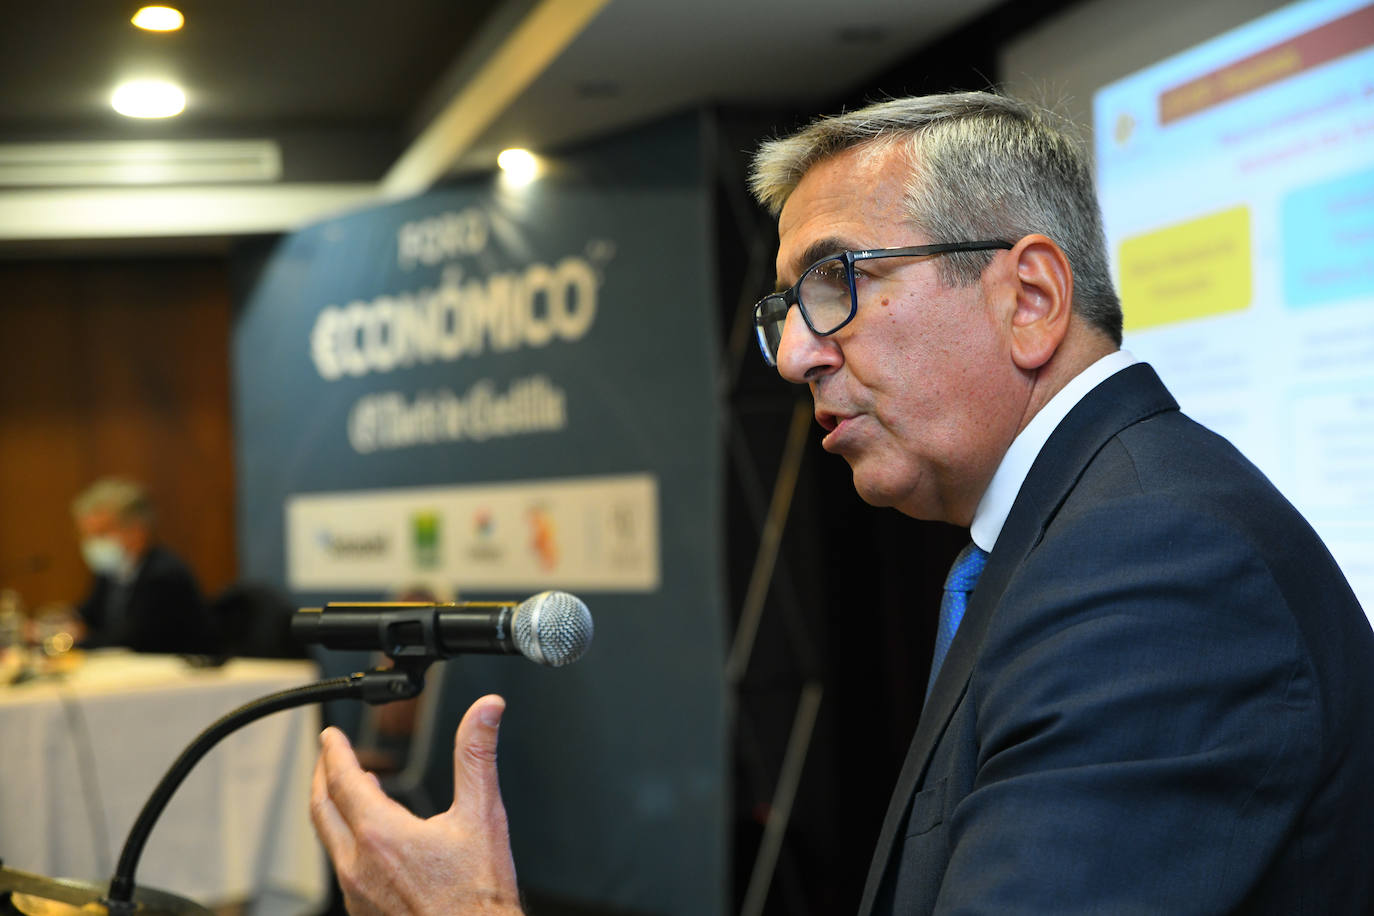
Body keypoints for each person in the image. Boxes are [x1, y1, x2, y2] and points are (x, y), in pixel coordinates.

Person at [310, 91, 1374, 914]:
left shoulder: (1154, 567)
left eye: (838, 282)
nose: (793, 355)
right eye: (786, 305)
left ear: (1031, 298)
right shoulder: (1077, 532)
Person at [72, 477, 217, 655]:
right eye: (87, 534)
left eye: (101, 533)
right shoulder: (111, 572)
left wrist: (70, 641)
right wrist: (57, 626)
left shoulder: (164, 574)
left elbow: (132, 639)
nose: (93, 542)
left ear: (136, 530)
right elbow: (88, 616)